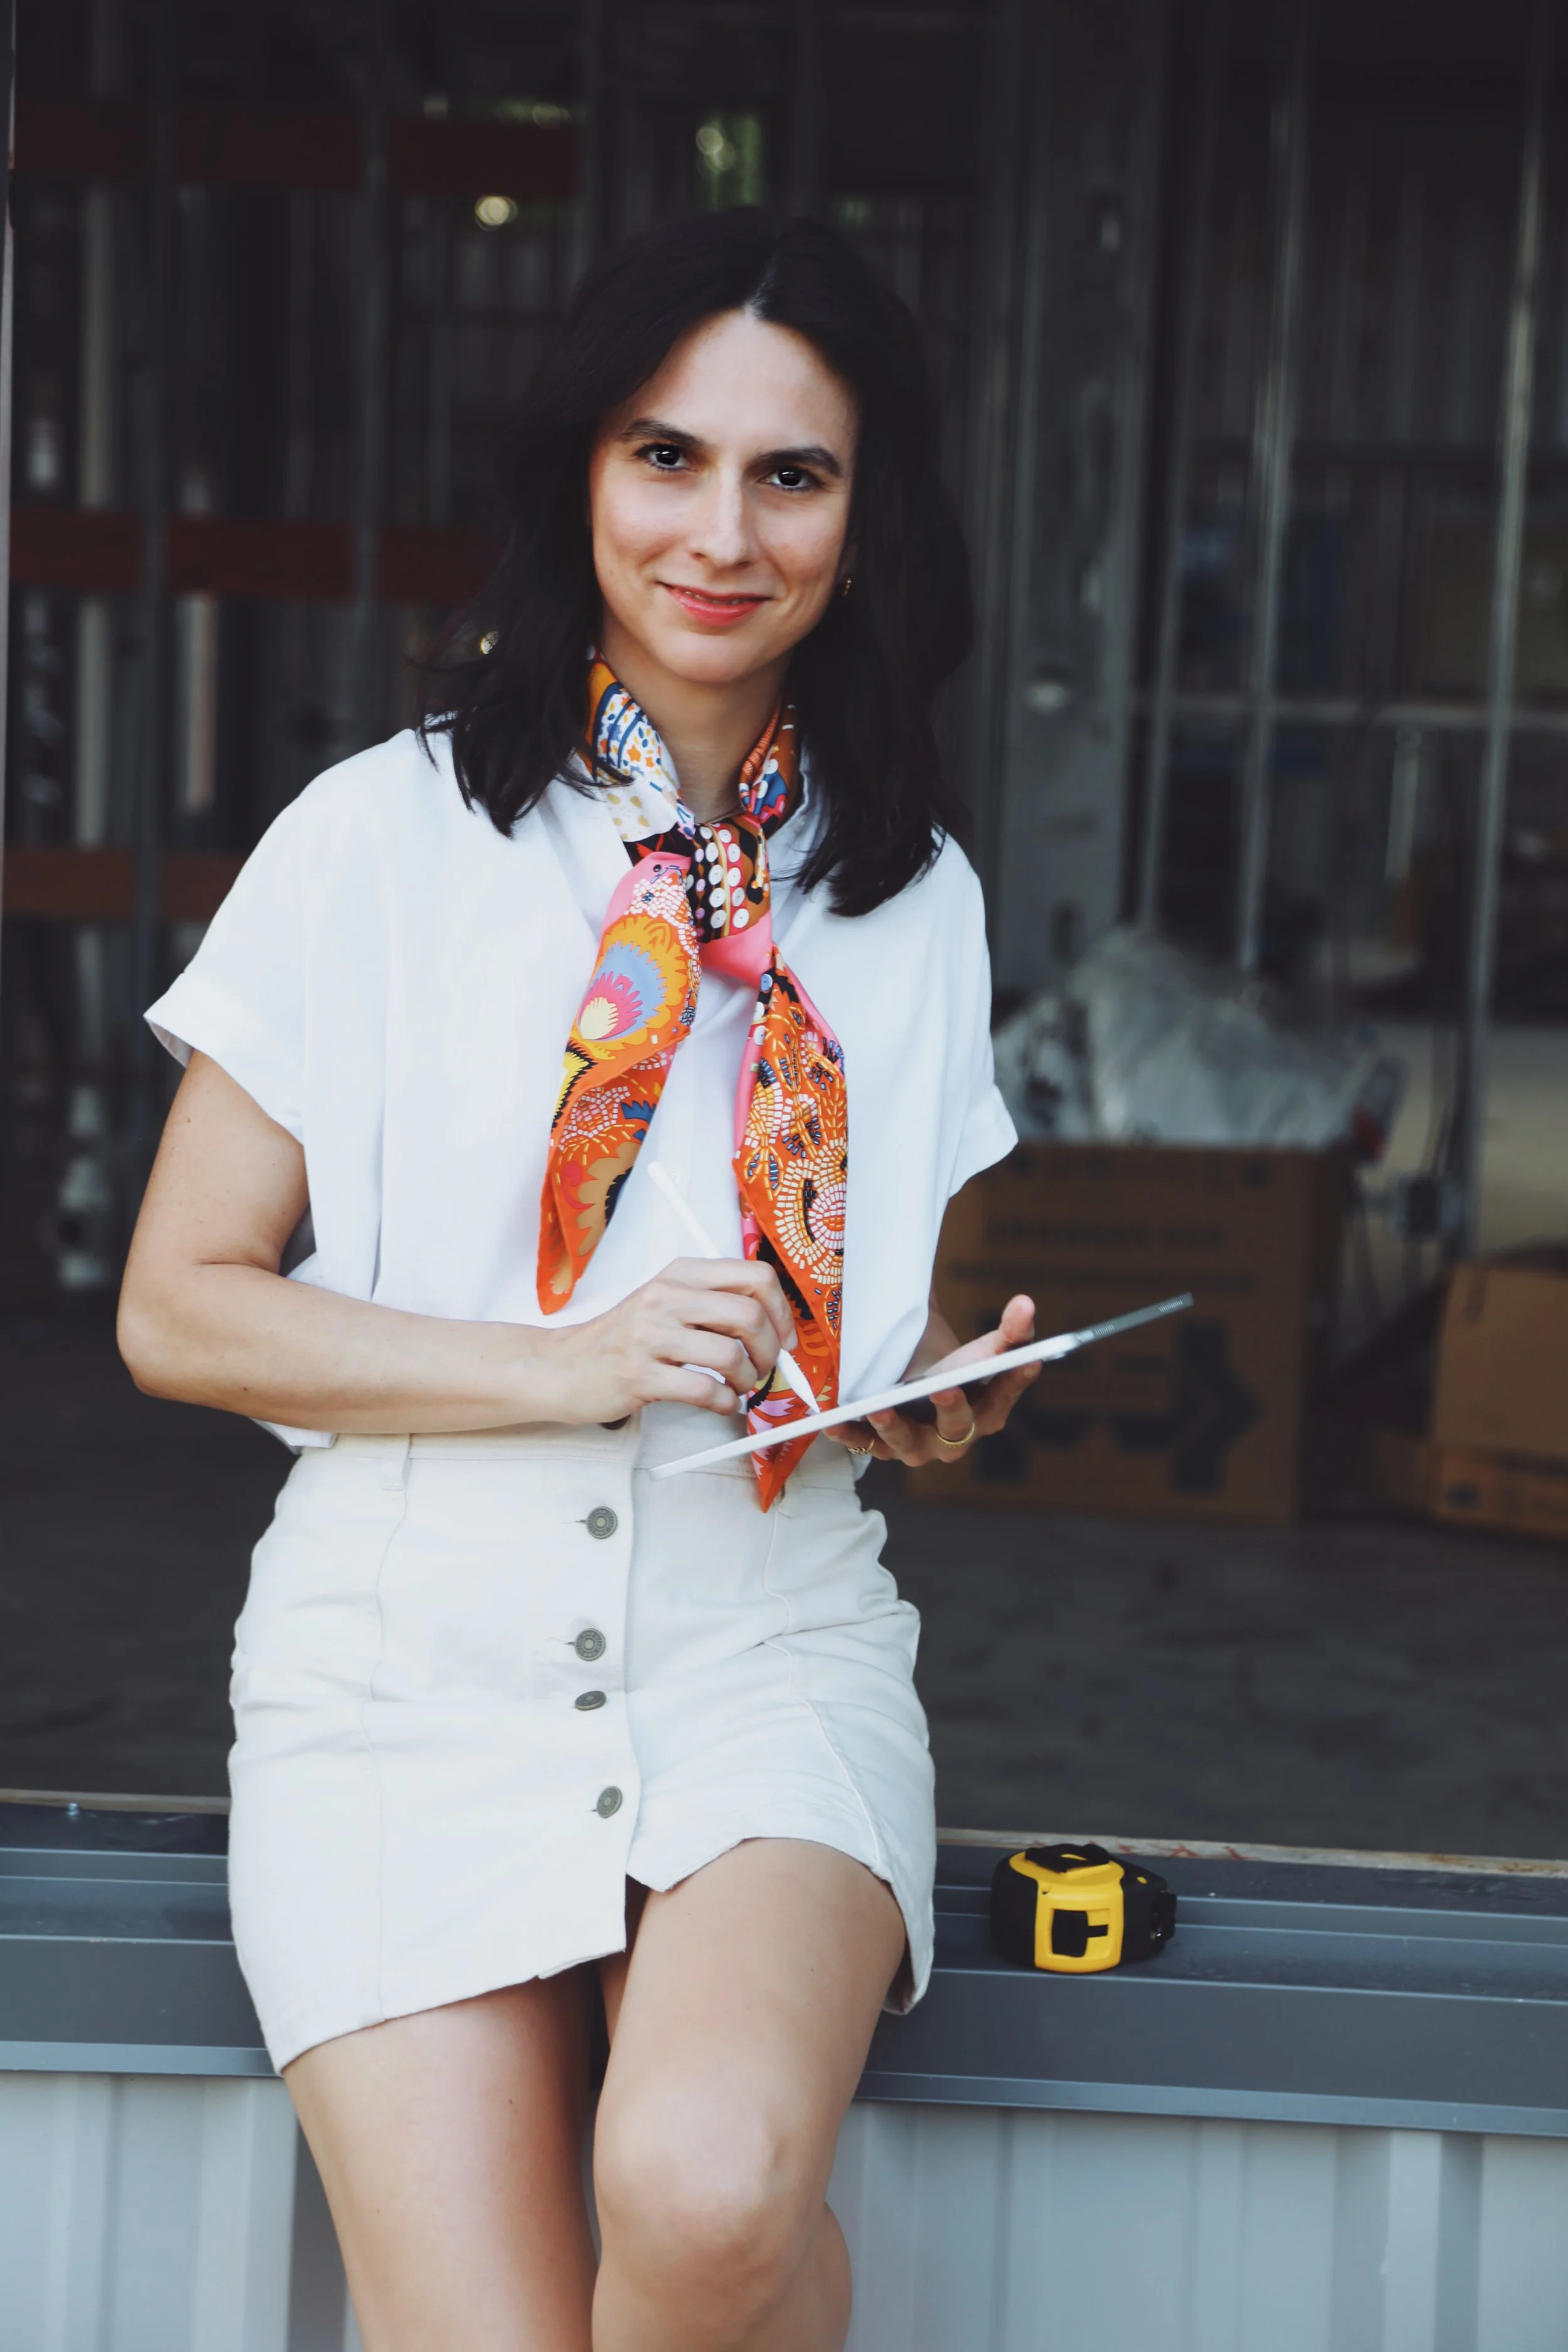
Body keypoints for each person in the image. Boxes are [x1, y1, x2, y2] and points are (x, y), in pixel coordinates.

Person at [118, 207, 1036, 2352]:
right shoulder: (377, 837)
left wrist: (925, 1383)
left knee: (706, 2196)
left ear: (865, 519)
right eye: (665, 457)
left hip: (764, 1639)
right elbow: (180, 1306)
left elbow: (877, 1308)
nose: (723, 531)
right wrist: (579, 1360)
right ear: (581, 477)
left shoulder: (913, 895)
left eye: (791, 474)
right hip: (400, 1664)